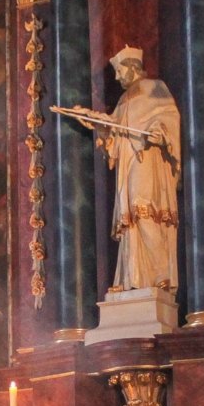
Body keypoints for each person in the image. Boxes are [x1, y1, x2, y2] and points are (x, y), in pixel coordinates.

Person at [63, 47, 181, 293]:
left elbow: (170, 116)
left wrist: (161, 132)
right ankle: (132, 279)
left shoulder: (155, 87)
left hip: (147, 159)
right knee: (132, 220)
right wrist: (91, 119)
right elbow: (114, 130)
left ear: (132, 67)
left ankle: (160, 275)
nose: (117, 78)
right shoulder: (124, 99)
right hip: (128, 164)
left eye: (119, 71)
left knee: (145, 209)